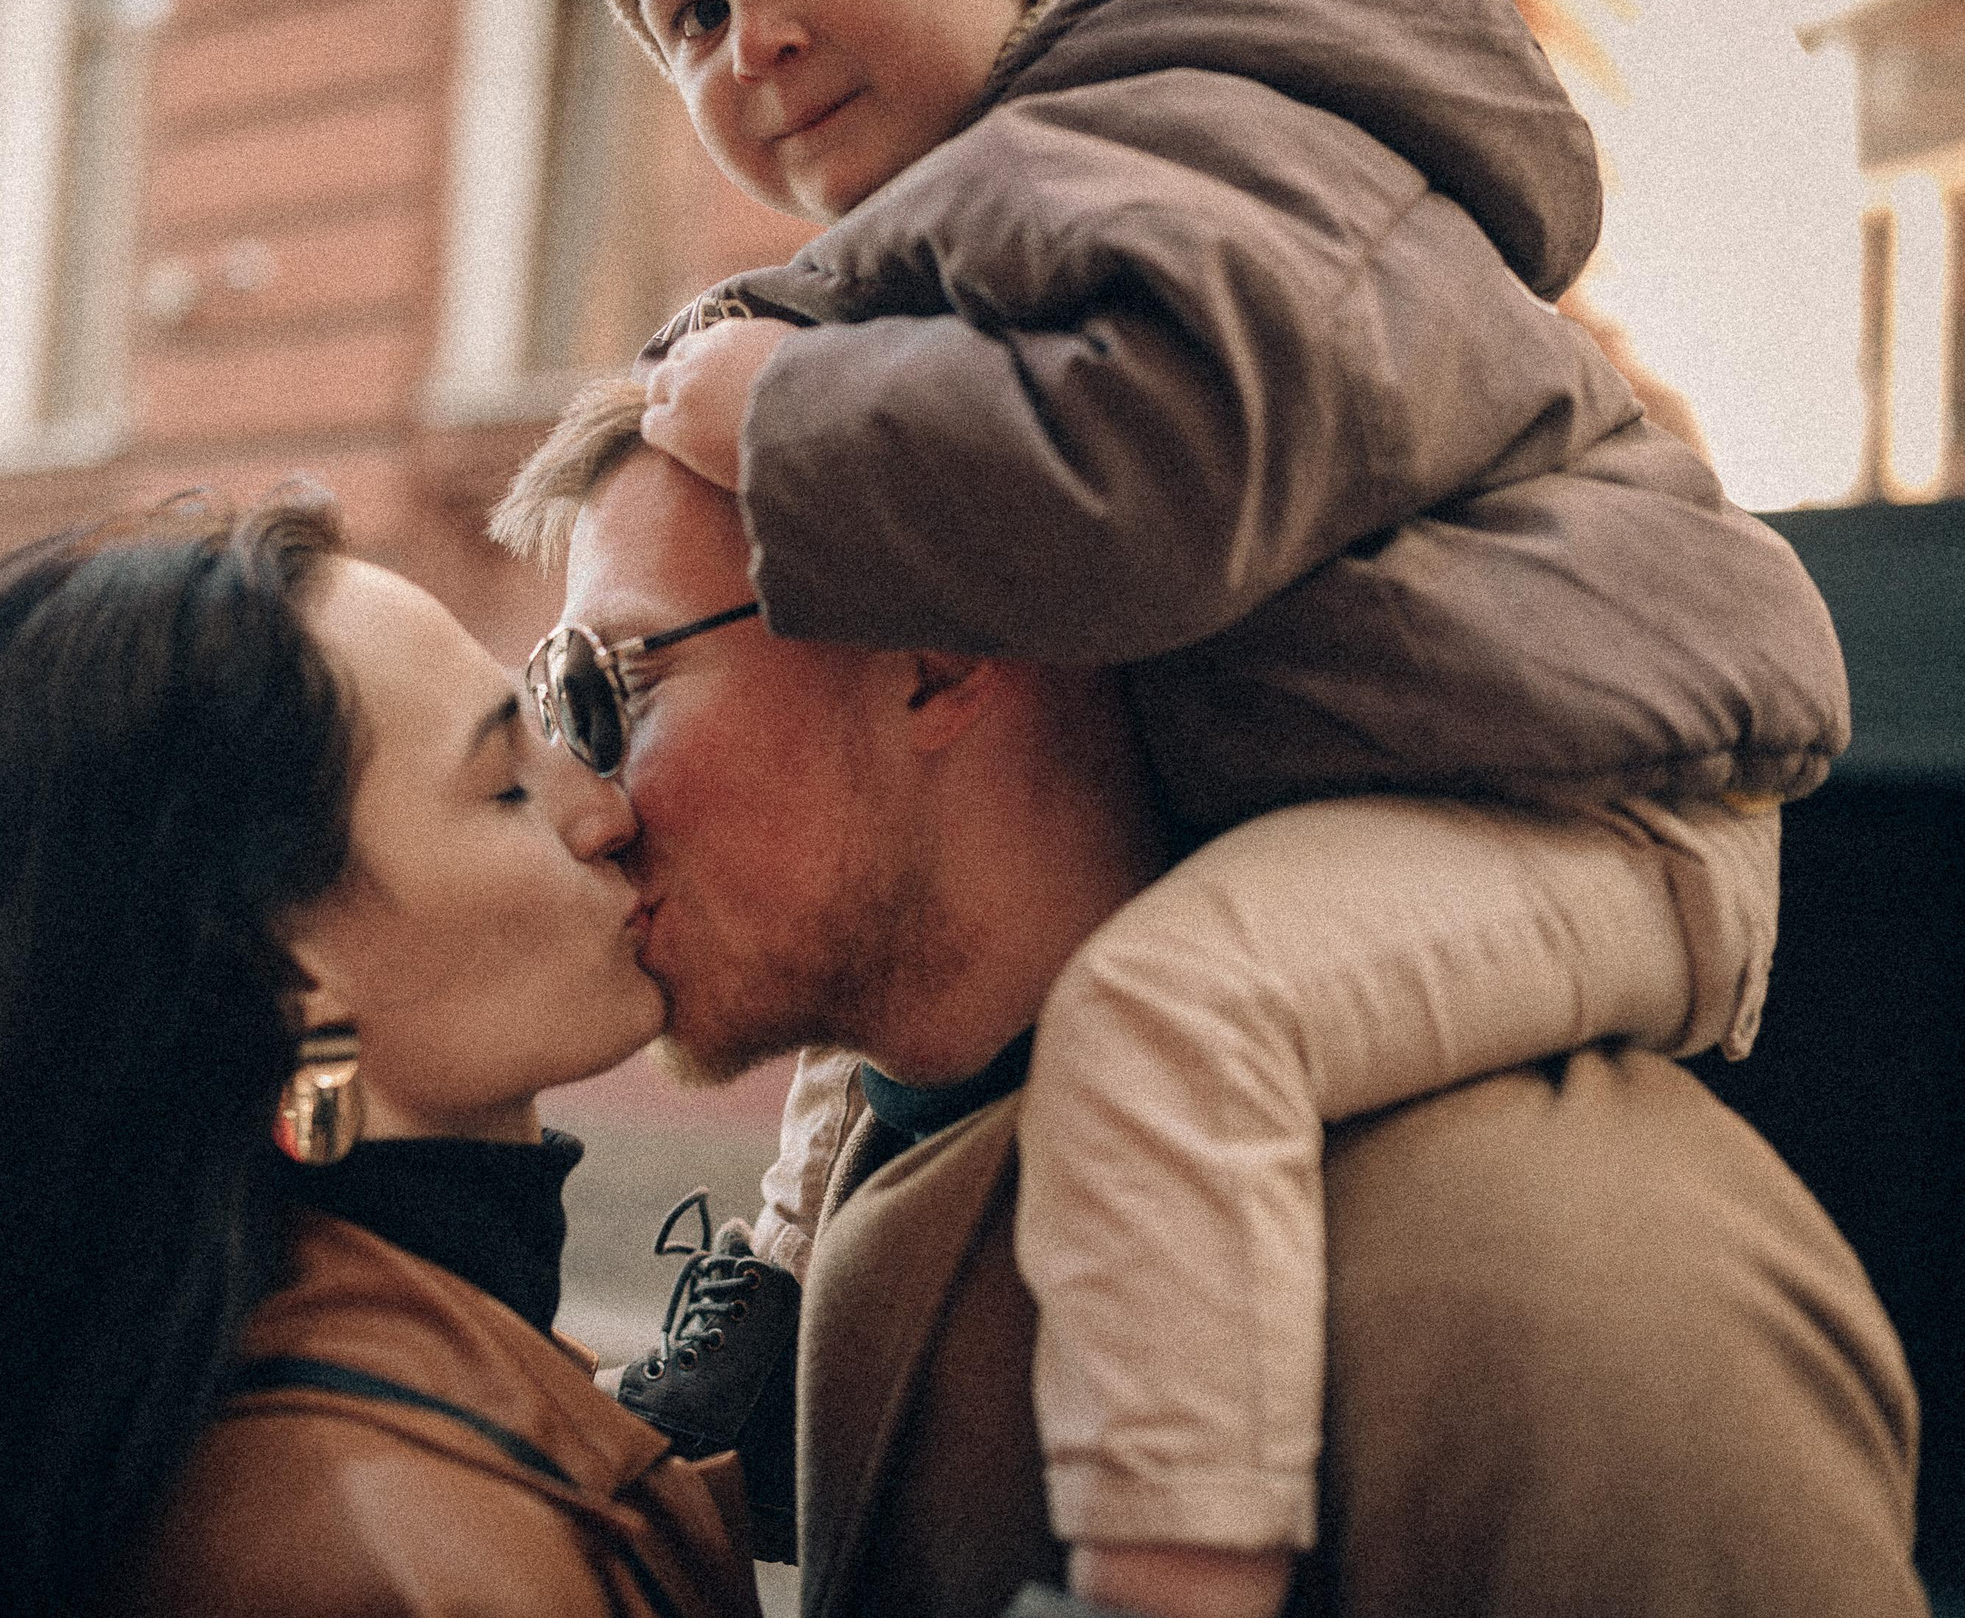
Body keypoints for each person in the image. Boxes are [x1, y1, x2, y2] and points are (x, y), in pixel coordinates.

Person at [539, 0, 1854, 1611]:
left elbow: (1174, 464)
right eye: (694, 16)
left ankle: (1167, 1567)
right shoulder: (992, 236)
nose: (754, 42)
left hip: (1594, 791)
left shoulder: (1182, 135)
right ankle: (763, 1317)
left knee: (1169, 1020)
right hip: (1441, 759)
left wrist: (801, 422)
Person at [491, 388, 1929, 1618]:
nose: (582, 810)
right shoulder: (898, 1150)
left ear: (932, 647)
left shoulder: (1564, 1295)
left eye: (609, 691)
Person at [0, 498, 761, 1618]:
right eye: (505, 786)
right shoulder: (385, 1550)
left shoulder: (341, 1362)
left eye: (549, 725)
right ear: (285, 968)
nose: (607, 810)